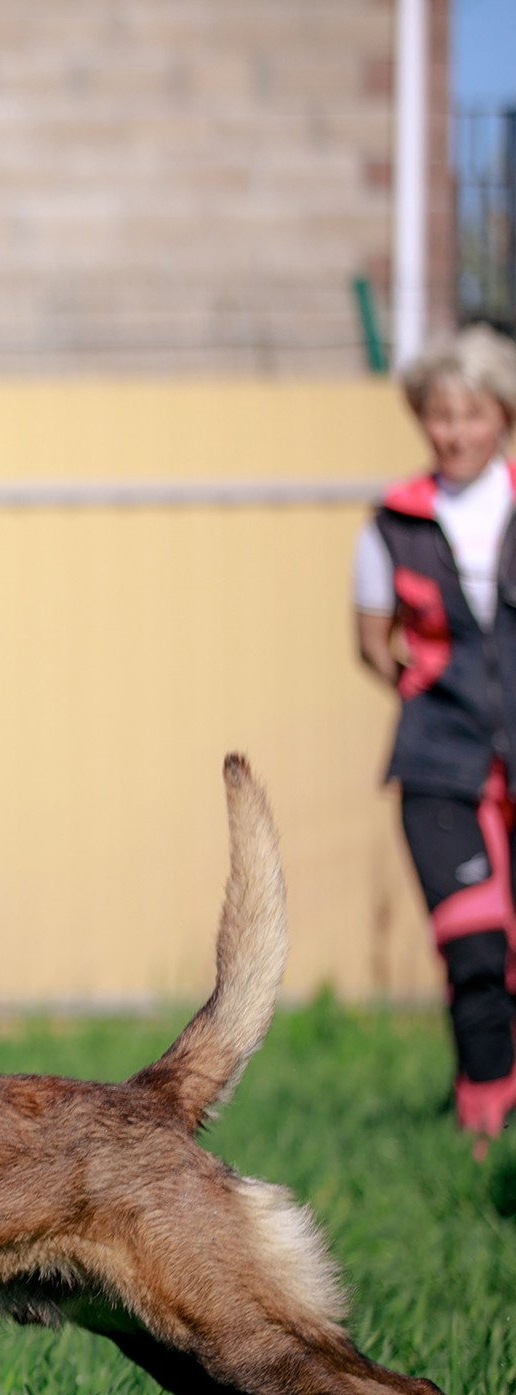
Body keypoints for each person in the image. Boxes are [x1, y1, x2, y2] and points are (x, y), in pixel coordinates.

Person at [353, 323, 516, 1154]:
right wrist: (435, 696)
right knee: (477, 949)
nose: (454, 432)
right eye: (440, 415)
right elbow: (372, 642)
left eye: (472, 414)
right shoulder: (391, 525)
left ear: (503, 417)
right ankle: (484, 1127)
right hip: (440, 763)